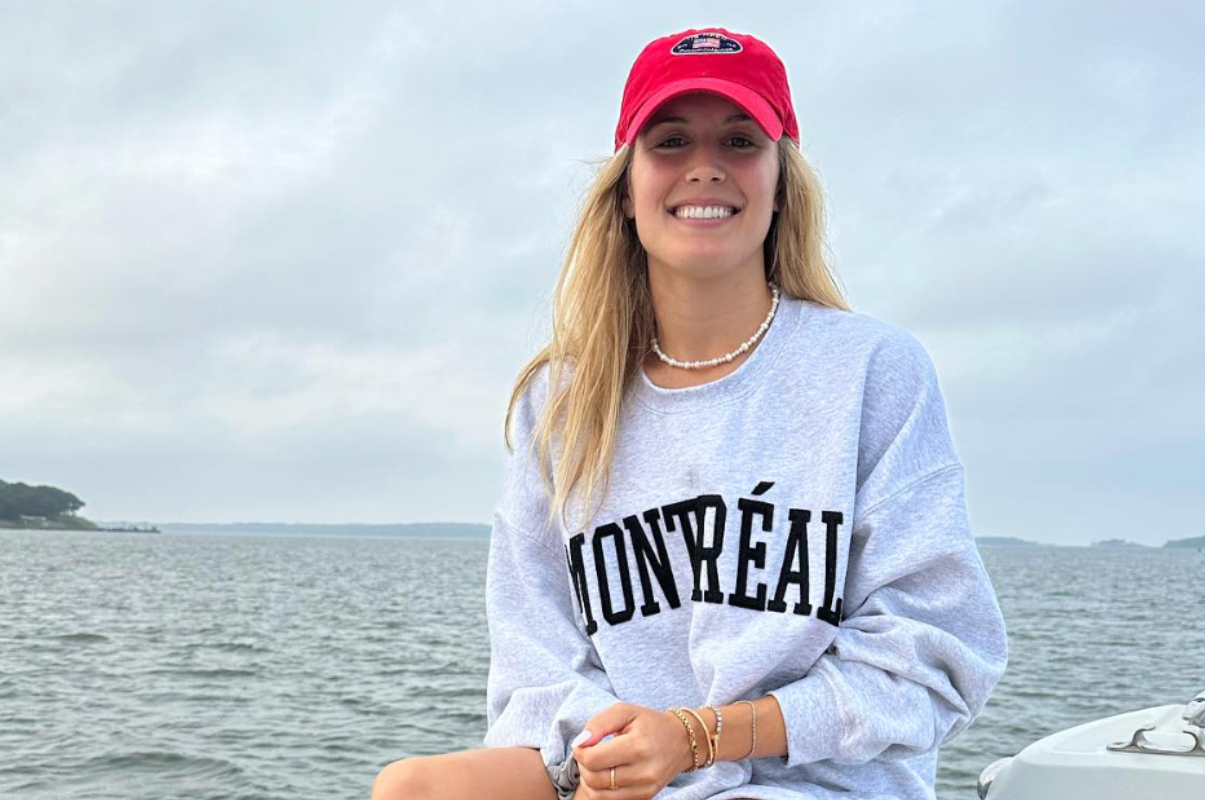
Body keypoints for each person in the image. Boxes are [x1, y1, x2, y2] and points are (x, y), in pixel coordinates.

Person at [372, 25, 1008, 800]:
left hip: (815, 781)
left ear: (780, 183)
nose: (704, 167)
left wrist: (697, 738)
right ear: (627, 188)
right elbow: (533, 658)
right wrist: (614, 751)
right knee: (412, 788)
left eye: (739, 140)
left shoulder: (871, 370)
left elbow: (936, 652)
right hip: (617, 778)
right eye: (670, 140)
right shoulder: (564, 398)